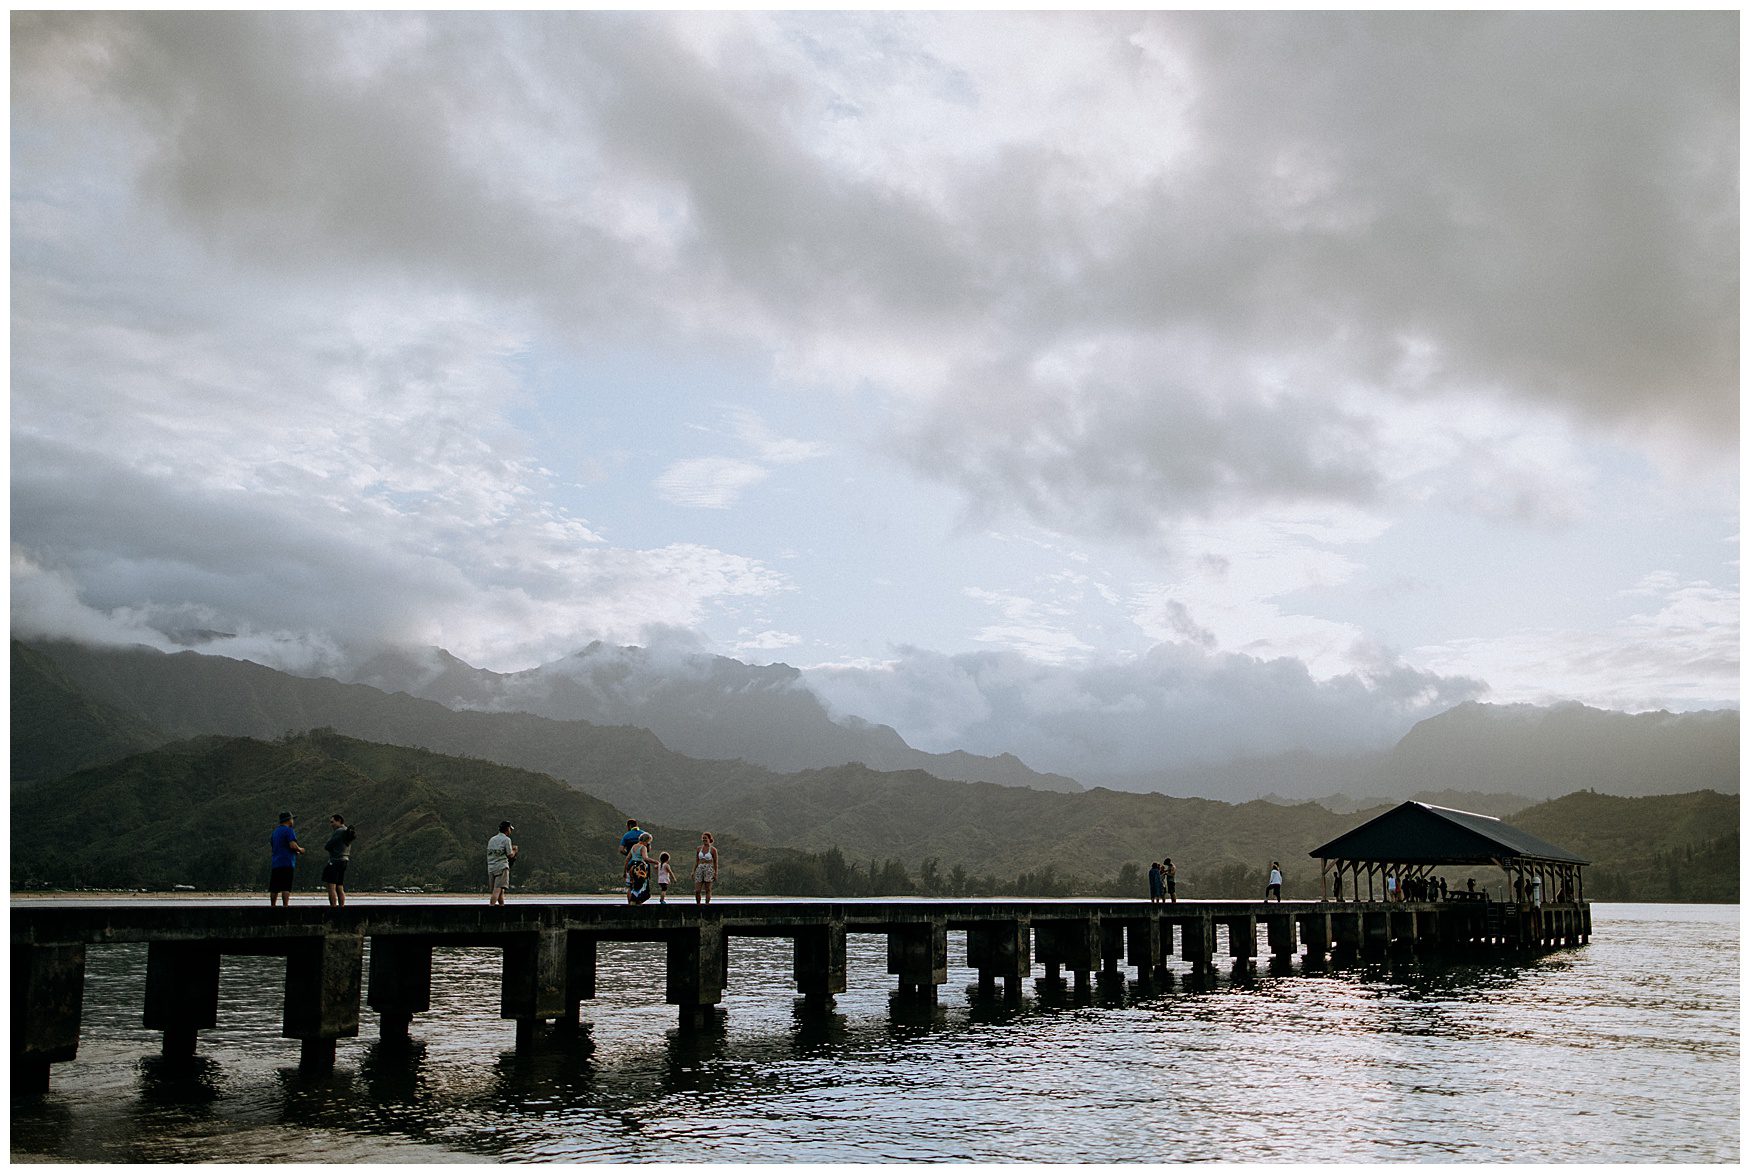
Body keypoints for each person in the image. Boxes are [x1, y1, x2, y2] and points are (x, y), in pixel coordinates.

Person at [269, 811, 303, 906]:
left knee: (274, 888)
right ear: (288, 820)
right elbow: (292, 845)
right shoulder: (289, 830)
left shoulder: (275, 832)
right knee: (286, 887)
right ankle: (285, 906)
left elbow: (275, 845)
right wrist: (300, 849)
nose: (293, 821)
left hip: (276, 863)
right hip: (287, 862)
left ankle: (272, 906)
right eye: (292, 819)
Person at [323, 814, 355, 907]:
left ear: (339, 821)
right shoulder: (347, 831)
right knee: (339, 886)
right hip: (344, 860)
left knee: (331, 886)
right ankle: (342, 907)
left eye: (332, 822)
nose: (331, 824)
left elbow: (328, 846)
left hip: (335, 860)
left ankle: (333, 907)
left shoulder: (339, 831)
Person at [487, 821, 517, 905]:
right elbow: (510, 855)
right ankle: (491, 908)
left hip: (491, 867)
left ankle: (501, 907)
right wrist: (514, 850)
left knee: (500, 891)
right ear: (507, 829)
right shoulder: (507, 840)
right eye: (510, 829)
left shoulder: (492, 839)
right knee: (497, 890)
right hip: (501, 867)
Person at [626, 832, 653, 905]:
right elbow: (645, 858)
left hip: (632, 867)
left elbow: (627, 858)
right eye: (648, 842)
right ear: (646, 841)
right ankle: (635, 902)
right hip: (640, 868)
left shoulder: (634, 846)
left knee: (633, 887)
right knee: (643, 889)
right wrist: (655, 862)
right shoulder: (643, 847)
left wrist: (625, 870)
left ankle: (633, 902)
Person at [694, 832, 720, 904]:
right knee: (697, 890)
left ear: (709, 839)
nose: (704, 839)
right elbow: (696, 861)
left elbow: (715, 862)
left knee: (708, 889)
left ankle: (707, 904)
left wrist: (715, 873)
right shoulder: (699, 849)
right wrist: (693, 871)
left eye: (706, 838)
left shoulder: (713, 850)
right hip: (700, 868)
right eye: (703, 838)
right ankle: (698, 904)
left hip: (709, 869)